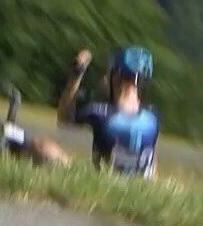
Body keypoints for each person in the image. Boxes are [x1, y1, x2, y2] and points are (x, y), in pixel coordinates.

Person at [55, 45, 160, 179]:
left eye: (108, 73)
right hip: (142, 185)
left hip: (106, 180)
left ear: (116, 76)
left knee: (43, 146)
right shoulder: (152, 116)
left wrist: (77, 74)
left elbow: (64, 117)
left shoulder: (99, 113)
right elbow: (152, 160)